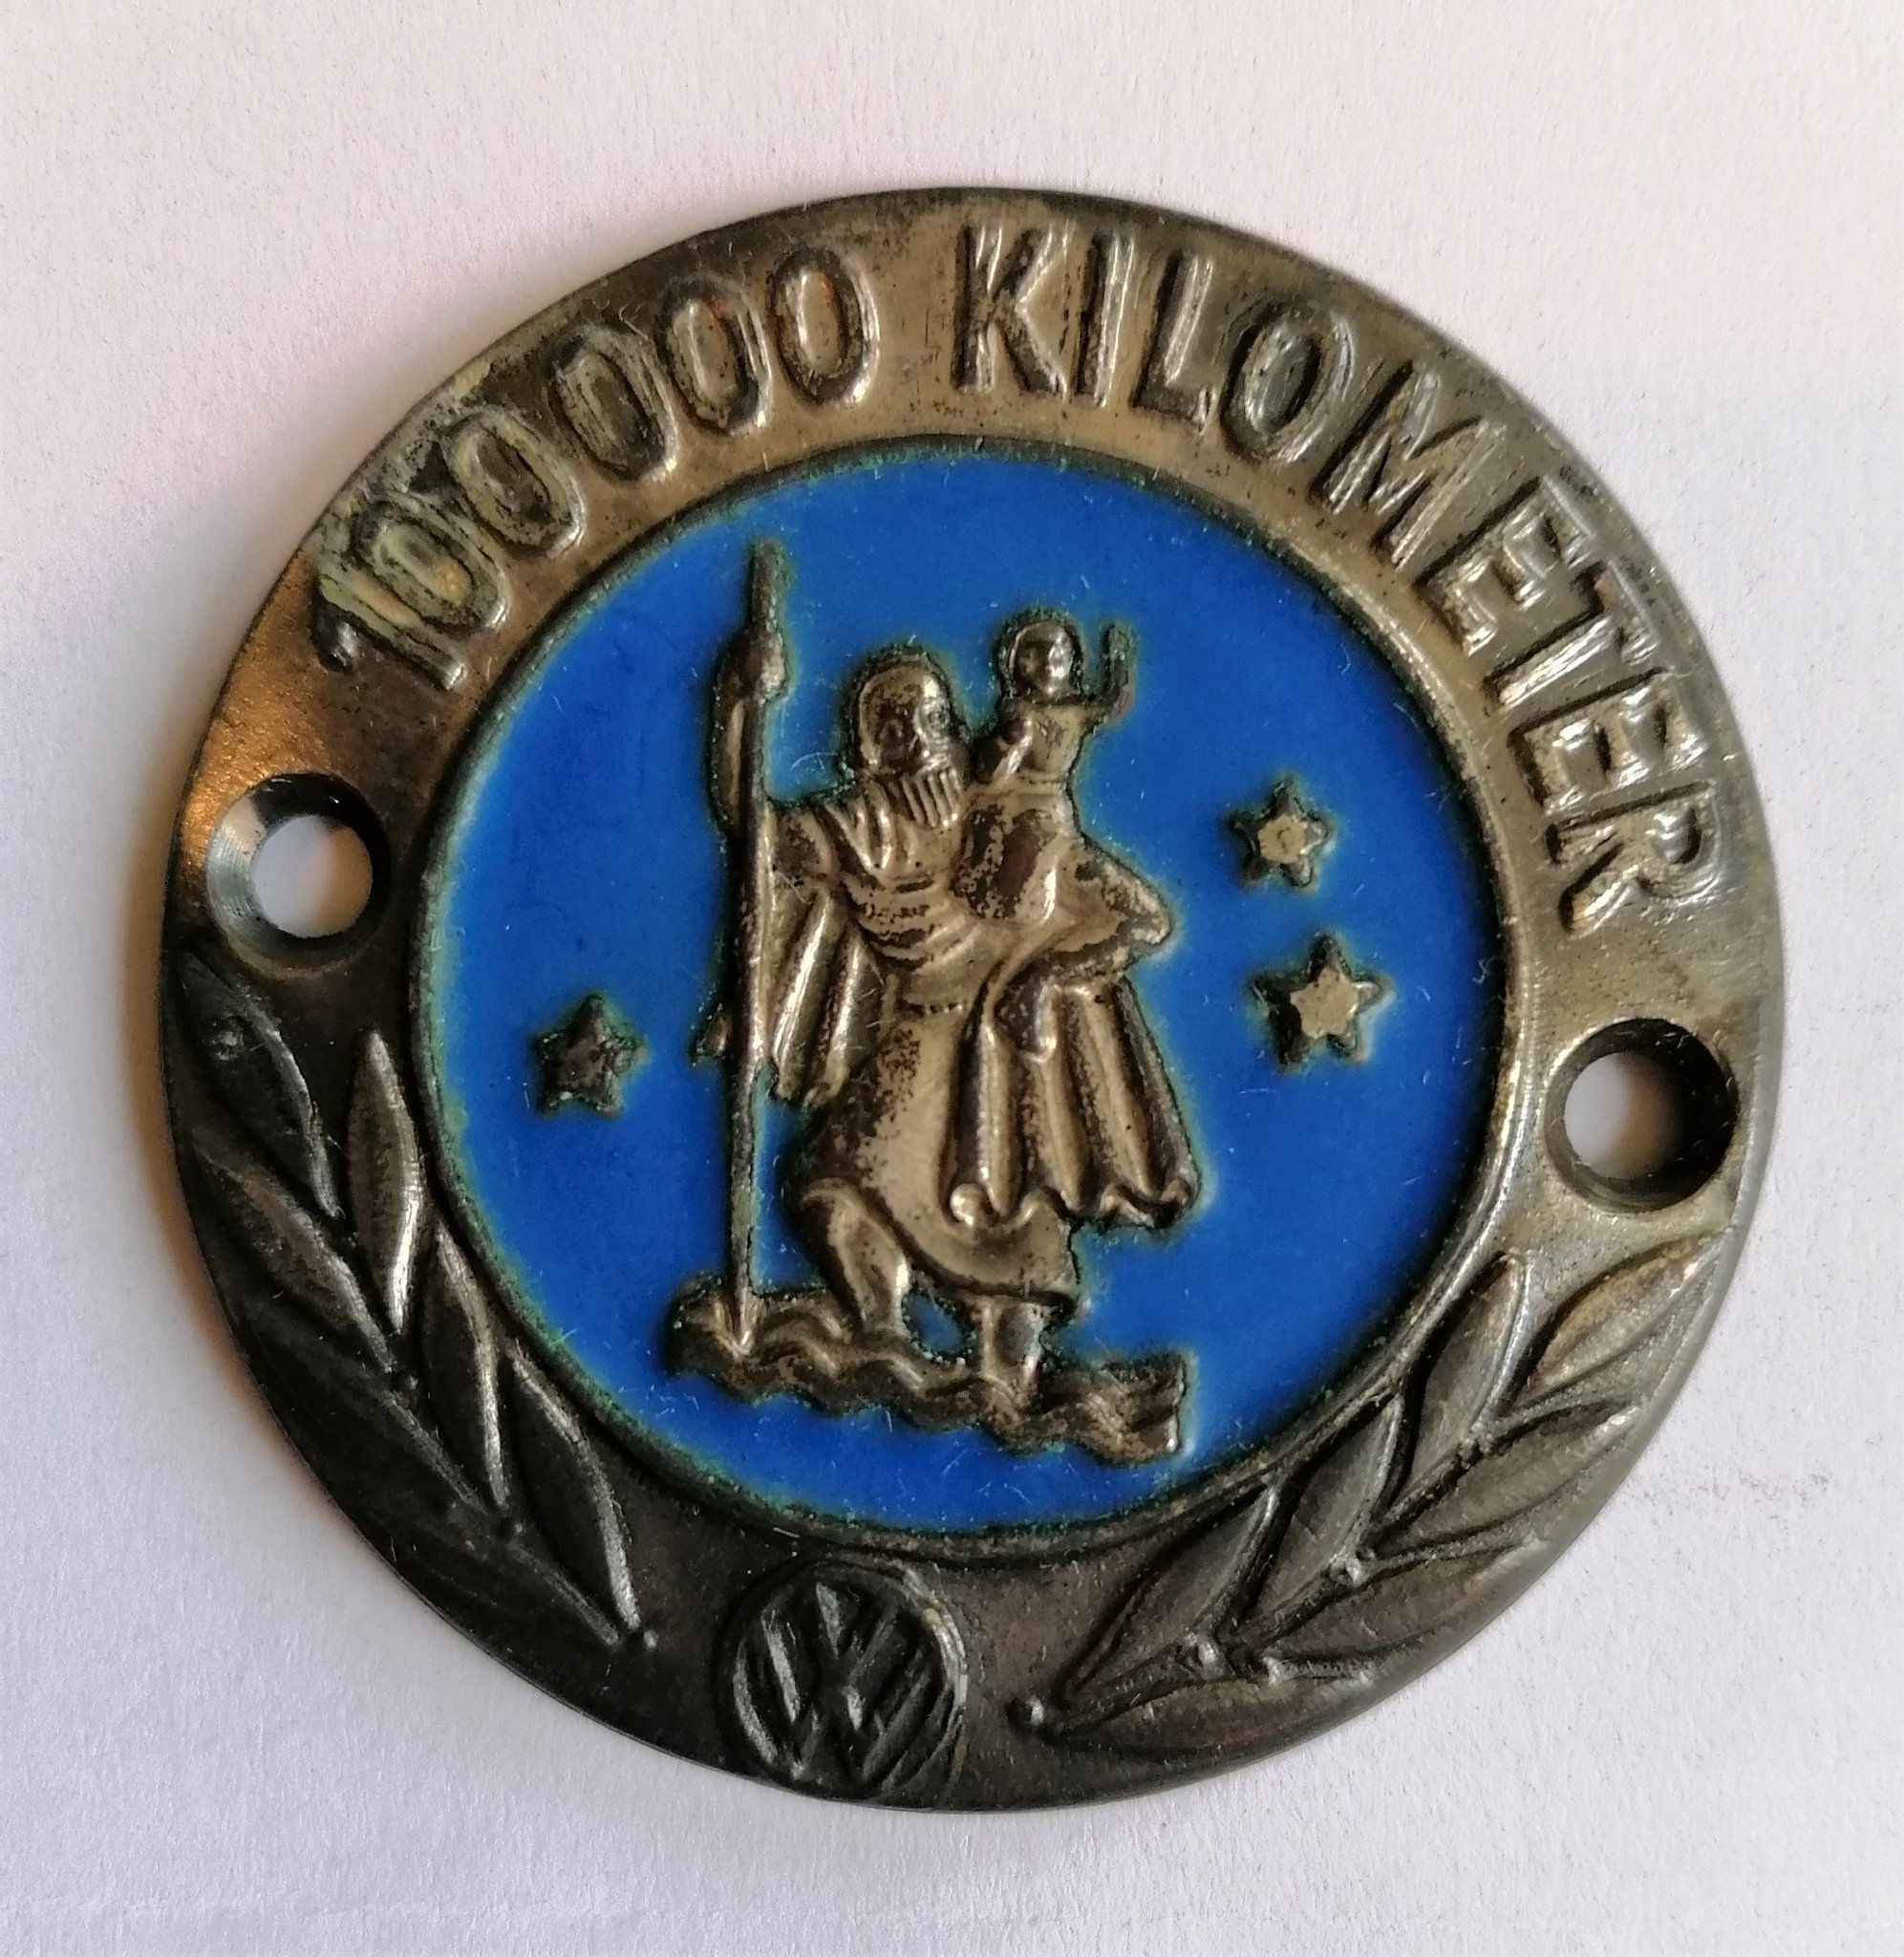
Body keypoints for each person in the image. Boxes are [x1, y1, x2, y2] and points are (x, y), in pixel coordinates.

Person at [708, 621, 1196, 1410]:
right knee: (835, 1187)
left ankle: (1011, 1383)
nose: (919, 740)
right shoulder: (858, 828)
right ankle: (882, 1341)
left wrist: (1046, 974)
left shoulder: (1000, 805)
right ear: (868, 745)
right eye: (894, 725)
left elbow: (1139, 917)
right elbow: (755, 831)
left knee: (1010, 1227)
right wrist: (736, 704)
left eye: (932, 718)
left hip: (1006, 1054)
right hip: (910, 1040)